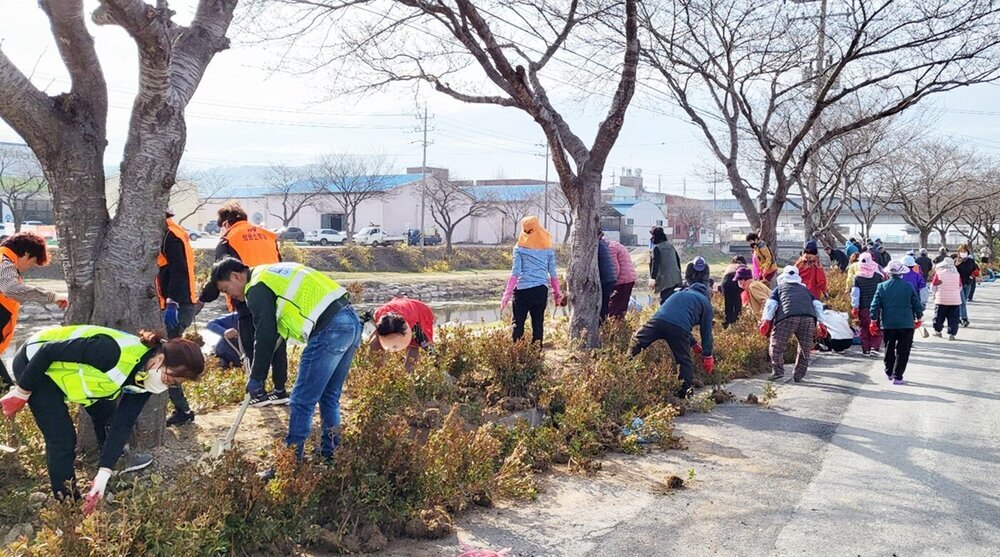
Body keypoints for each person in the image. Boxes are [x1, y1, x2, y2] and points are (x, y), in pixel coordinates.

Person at [1, 326, 204, 502]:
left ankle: (113, 465)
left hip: (78, 378)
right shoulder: (111, 352)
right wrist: (21, 392)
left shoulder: (146, 378)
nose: (165, 386)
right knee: (62, 438)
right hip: (35, 363)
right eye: (169, 379)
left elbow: (123, 423)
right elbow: (47, 352)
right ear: (159, 359)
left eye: (174, 385)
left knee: (107, 417)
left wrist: (103, 474)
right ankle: (67, 502)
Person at [211, 258, 360, 461]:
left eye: (227, 290)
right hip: (350, 321)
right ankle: (330, 455)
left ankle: (290, 461)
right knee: (329, 395)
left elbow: (264, 334)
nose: (231, 296)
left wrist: (257, 377)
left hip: (329, 328)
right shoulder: (271, 273)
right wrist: (259, 374)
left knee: (301, 400)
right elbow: (276, 336)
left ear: (236, 276)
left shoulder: (255, 288)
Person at [197, 202, 288, 411]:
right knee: (277, 340)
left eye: (221, 225)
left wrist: (202, 300)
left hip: (247, 297)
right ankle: (280, 389)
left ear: (226, 222)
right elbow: (280, 262)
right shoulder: (267, 235)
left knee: (250, 346)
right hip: (277, 294)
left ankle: (258, 392)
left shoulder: (228, 239)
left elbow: (220, 275)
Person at [0, 233, 68, 387]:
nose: (27, 268)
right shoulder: (4, 262)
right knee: (6, 393)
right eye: (31, 263)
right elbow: (11, 289)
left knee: (6, 392)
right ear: (26, 253)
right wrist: (51, 296)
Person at [628, 283, 714, 398]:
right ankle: (683, 394)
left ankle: (622, 368)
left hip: (657, 321)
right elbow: (706, 332)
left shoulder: (679, 293)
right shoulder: (705, 302)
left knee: (636, 343)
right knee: (684, 361)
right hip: (679, 329)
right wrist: (708, 355)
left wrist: (693, 344)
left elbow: (674, 316)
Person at [157, 211, 201, 425]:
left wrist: (171, 303)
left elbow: (178, 271)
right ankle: (180, 409)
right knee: (164, 356)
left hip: (176, 305)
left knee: (167, 358)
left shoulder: (169, 235)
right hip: (177, 303)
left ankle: (182, 410)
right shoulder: (171, 231)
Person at [759, 266, 825, 382]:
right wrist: (821, 323)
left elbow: (771, 305)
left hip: (787, 318)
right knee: (805, 349)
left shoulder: (779, 289)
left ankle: (778, 371)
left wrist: (766, 320)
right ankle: (798, 376)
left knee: (776, 346)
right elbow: (818, 305)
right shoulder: (806, 290)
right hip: (808, 319)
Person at [501, 216, 561, 343]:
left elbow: (515, 273)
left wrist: (506, 296)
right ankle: (537, 355)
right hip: (540, 290)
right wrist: (557, 295)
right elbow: (553, 275)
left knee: (518, 324)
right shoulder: (547, 249)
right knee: (538, 324)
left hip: (522, 291)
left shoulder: (519, 249)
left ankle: (518, 354)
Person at [870, 261, 923, 385]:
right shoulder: (908, 286)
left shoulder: (881, 286)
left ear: (888, 273)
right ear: (901, 273)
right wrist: (919, 317)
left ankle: (889, 372)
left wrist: (873, 319)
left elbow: (874, 305)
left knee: (889, 347)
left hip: (888, 323)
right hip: (906, 323)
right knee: (903, 350)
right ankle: (897, 376)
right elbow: (916, 304)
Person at [370, 297, 435, 370]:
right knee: (376, 341)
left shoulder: (414, 324)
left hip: (419, 311)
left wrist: (436, 360)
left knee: (414, 345)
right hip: (397, 308)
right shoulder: (378, 315)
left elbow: (426, 345)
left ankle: (409, 374)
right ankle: (377, 370)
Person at [851, 252, 885, 356]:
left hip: (863, 307)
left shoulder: (857, 277)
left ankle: (866, 349)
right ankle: (875, 347)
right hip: (876, 306)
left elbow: (855, 294)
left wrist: (854, 306)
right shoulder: (878, 276)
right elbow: (882, 292)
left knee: (864, 328)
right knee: (876, 326)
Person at [930, 257, 962, 340]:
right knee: (953, 318)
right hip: (955, 300)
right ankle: (952, 334)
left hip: (941, 300)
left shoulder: (939, 273)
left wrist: (935, 293)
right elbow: (960, 287)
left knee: (939, 317)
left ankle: (938, 331)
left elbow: (933, 286)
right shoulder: (957, 274)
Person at [649, 226, 682, 304]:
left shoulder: (656, 248)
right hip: (676, 278)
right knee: (672, 300)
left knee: (665, 302)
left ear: (656, 237)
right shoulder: (670, 246)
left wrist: (652, 278)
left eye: (652, 236)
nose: (651, 239)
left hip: (665, 280)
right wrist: (679, 274)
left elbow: (655, 264)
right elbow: (678, 260)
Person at [607, 239, 637, 319]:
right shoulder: (617, 245)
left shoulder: (611, 248)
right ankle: (621, 327)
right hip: (630, 279)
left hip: (622, 281)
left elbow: (615, 269)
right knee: (622, 306)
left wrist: (610, 284)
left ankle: (616, 328)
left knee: (615, 308)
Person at [721, 259, 750, 328]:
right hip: (736, 281)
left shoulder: (730, 265)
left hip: (725, 281)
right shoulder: (743, 266)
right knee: (737, 302)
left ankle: (728, 322)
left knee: (728, 303)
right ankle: (737, 322)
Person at [955, 245, 978, 326]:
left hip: (968, 283)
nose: (963, 253)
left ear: (967, 252)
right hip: (958, 284)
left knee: (962, 302)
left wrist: (972, 277)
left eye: (964, 252)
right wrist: (956, 264)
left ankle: (957, 317)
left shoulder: (971, 261)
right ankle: (964, 319)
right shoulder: (956, 261)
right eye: (961, 252)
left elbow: (976, 270)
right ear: (958, 252)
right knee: (962, 302)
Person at [597, 231, 618, 321]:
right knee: (605, 303)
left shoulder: (596, 245)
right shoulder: (604, 243)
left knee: (603, 304)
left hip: (606, 278)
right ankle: (604, 325)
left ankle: (602, 324)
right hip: (611, 277)